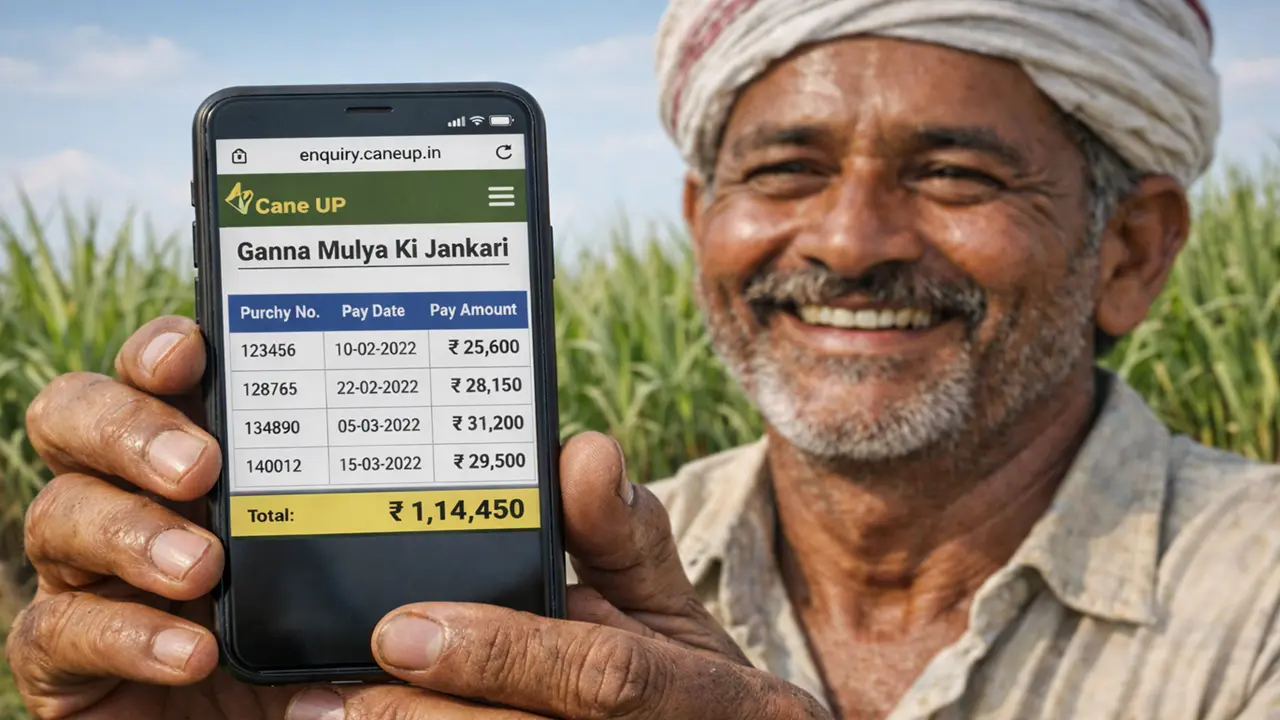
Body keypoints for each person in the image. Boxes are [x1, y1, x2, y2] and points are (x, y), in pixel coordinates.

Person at [7, 0, 1279, 718]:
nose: (845, 242)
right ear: (697, 228)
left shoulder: (1257, 604)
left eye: (952, 174)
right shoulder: (575, 560)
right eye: (781, 169)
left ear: (1132, 250)